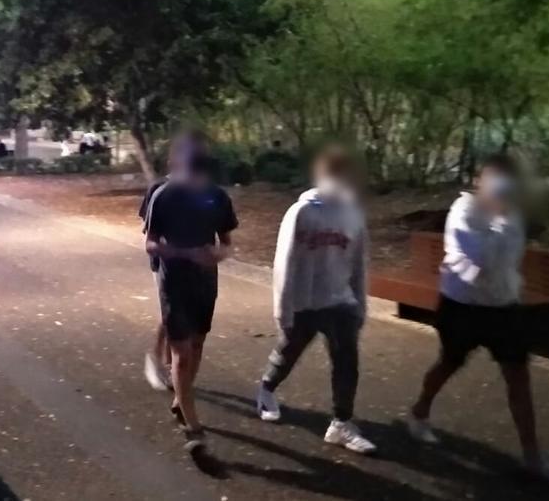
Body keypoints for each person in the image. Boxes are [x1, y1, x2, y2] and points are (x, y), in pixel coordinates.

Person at [405, 154, 549, 485]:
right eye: (493, 179)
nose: (500, 187)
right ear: (479, 180)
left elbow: (508, 261)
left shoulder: (512, 215)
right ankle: (419, 411)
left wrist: (506, 218)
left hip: (503, 308)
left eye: (506, 181)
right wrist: (500, 217)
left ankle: (532, 455)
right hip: (462, 305)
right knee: (449, 363)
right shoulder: (463, 211)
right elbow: (480, 261)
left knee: (518, 378)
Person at [255, 146, 376, 455]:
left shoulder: (353, 215)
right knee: (289, 350)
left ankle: (341, 423)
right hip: (305, 302)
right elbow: (286, 263)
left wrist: (360, 304)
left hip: (341, 303)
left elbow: (359, 263)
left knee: (347, 362)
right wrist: (283, 309)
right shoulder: (302, 212)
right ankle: (266, 389)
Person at [144, 138, 237, 453]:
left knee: (197, 346)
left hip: (206, 283)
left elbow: (226, 242)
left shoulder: (218, 197)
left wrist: (215, 254)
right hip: (174, 282)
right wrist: (180, 252)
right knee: (182, 354)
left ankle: (179, 401)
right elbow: (150, 243)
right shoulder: (164, 195)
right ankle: (193, 428)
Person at [139, 132, 211, 392]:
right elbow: (148, 230)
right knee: (169, 313)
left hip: (197, 267)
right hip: (166, 263)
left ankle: (174, 367)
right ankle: (156, 356)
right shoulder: (159, 189)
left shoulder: (206, 190)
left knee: (187, 317)